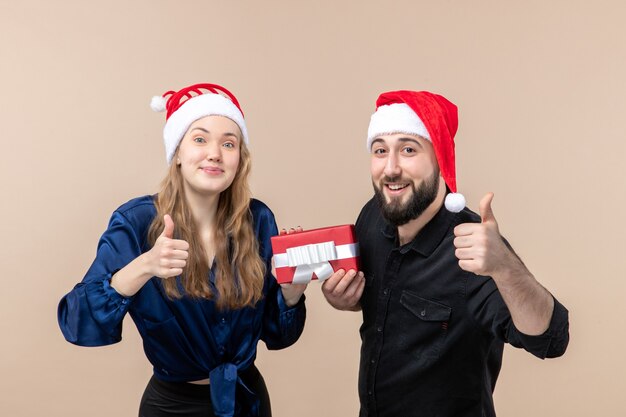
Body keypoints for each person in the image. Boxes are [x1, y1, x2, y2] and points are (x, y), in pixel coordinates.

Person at [57, 83, 307, 417]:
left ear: (239, 160)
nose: (215, 153)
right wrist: (145, 265)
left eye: (228, 143)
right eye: (200, 139)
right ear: (177, 152)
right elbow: (78, 322)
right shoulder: (136, 222)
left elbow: (278, 336)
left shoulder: (259, 219)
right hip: (171, 407)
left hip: (247, 403)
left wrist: (290, 294)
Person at [321, 90, 569, 417]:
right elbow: (383, 299)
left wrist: (506, 268)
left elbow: (550, 340)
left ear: (440, 158)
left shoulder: (474, 251)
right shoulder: (374, 214)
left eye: (408, 149)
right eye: (380, 150)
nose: (391, 168)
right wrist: (346, 300)